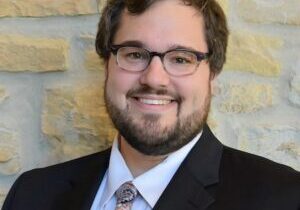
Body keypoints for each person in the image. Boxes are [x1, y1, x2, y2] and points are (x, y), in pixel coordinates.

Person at [2, 0, 300, 209]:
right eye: (134, 54)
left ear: (214, 76)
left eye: (181, 58)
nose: (154, 78)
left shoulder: (283, 198)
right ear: (107, 65)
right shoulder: (32, 195)